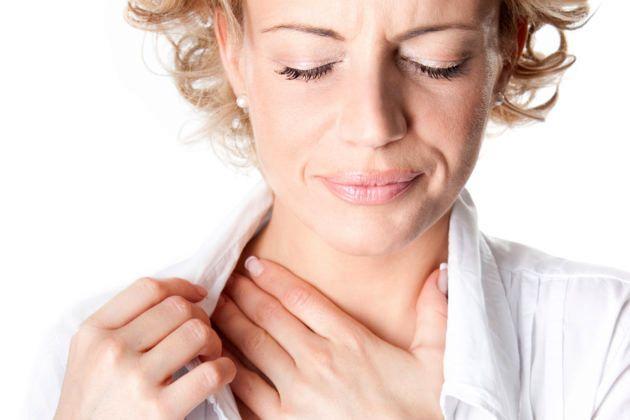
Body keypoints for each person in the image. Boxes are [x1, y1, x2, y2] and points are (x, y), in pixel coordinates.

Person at [24, 0, 630, 419]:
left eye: (436, 60)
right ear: (234, 52)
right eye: (306, 66)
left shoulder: (605, 344)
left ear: (505, 49)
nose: (372, 125)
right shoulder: (95, 366)